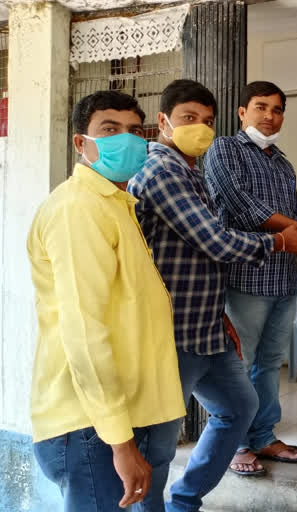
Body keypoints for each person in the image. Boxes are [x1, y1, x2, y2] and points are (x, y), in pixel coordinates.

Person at [127, 80, 297, 510]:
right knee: (159, 441)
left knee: (240, 405)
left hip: (206, 324)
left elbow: (204, 253)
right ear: (162, 121)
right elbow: (217, 238)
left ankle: (185, 499)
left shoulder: (194, 170)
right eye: (188, 119)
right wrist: (282, 241)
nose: (199, 128)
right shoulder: (163, 171)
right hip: (170, 331)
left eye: (206, 121)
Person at [28, 90, 186, 511]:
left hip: (124, 417)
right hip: (94, 426)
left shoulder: (116, 204)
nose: (126, 141)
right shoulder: (79, 209)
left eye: (135, 132)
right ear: (81, 143)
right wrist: (119, 442)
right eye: (110, 130)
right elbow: (84, 330)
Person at [206, 81, 297, 470]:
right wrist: (296, 230)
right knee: (238, 363)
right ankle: (235, 443)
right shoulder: (224, 149)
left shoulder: (282, 161)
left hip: (283, 277)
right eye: (261, 107)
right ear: (242, 112)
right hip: (246, 274)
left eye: (277, 110)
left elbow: (290, 214)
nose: (270, 115)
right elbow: (243, 207)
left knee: (270, 362)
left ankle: (263, 437)